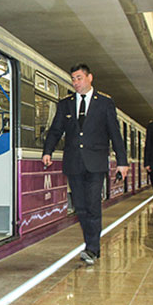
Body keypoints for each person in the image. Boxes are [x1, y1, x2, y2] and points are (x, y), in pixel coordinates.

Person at [42, 63, 128, 266]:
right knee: (80, 207)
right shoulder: (65, 104)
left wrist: (122, 162)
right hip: (74, 163)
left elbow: (115, 133)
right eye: (73, 79)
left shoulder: (105, 103)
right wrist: (47, 151)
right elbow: (56, 130)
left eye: (79, 78)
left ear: (90, 78)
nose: (75, 82)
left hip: (96, 163)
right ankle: (90, 244)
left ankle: (92, 248)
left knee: (93, 205)